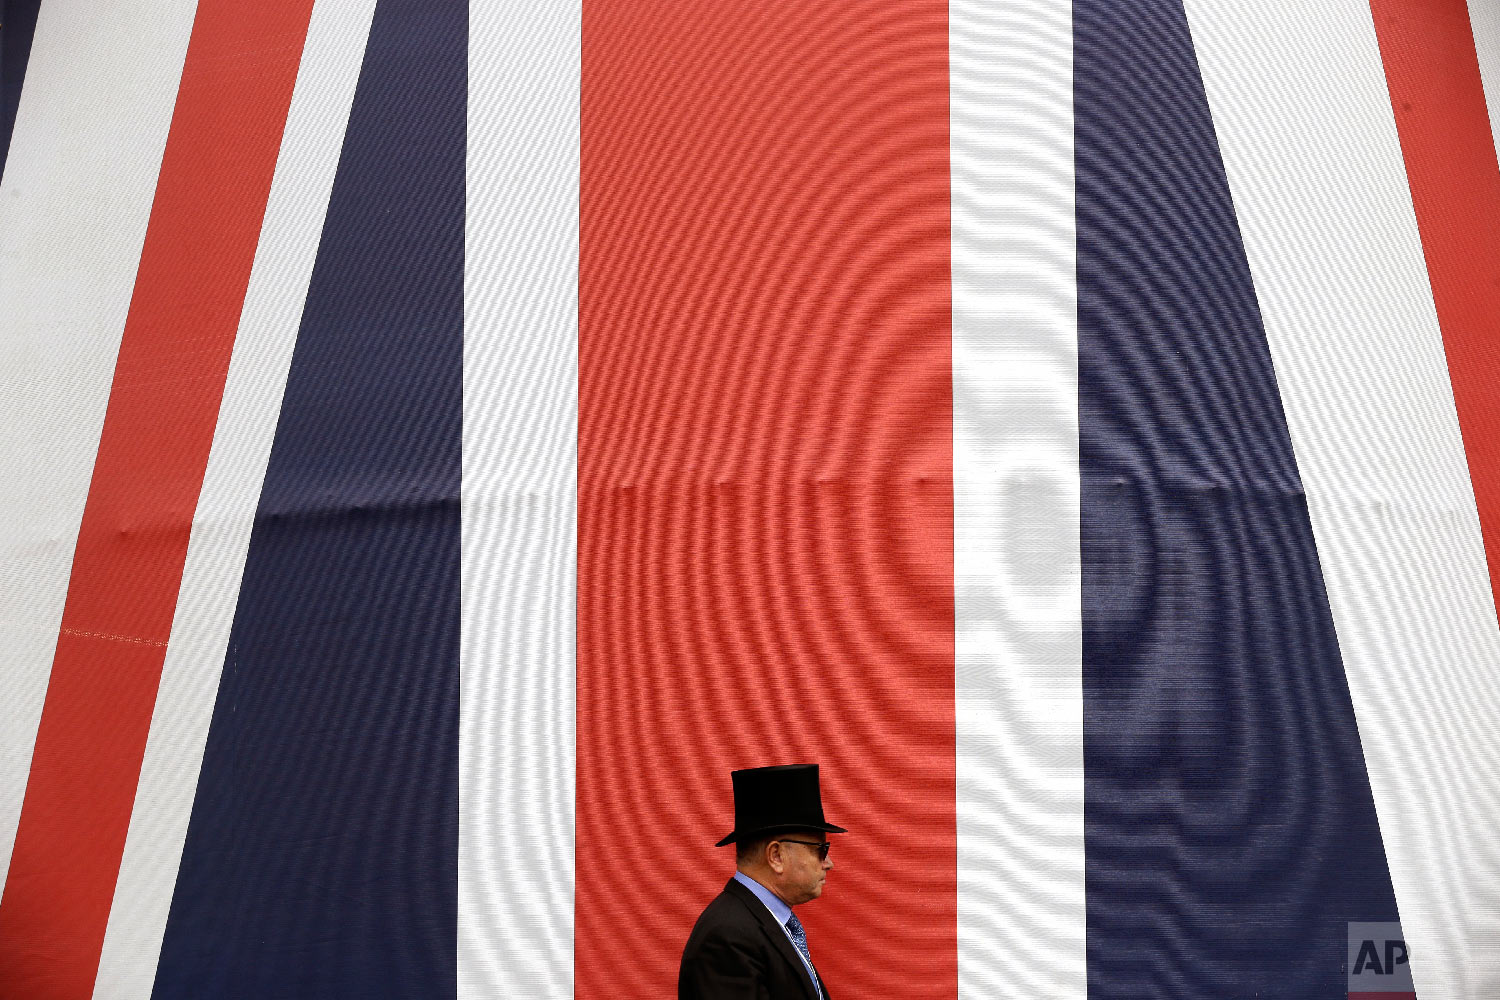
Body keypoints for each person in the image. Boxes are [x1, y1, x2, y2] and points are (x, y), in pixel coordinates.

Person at [679, 764, 845, 999]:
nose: (829, 862)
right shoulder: (728, 938)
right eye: (820, 849)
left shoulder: (756, 924)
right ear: (776, 856)